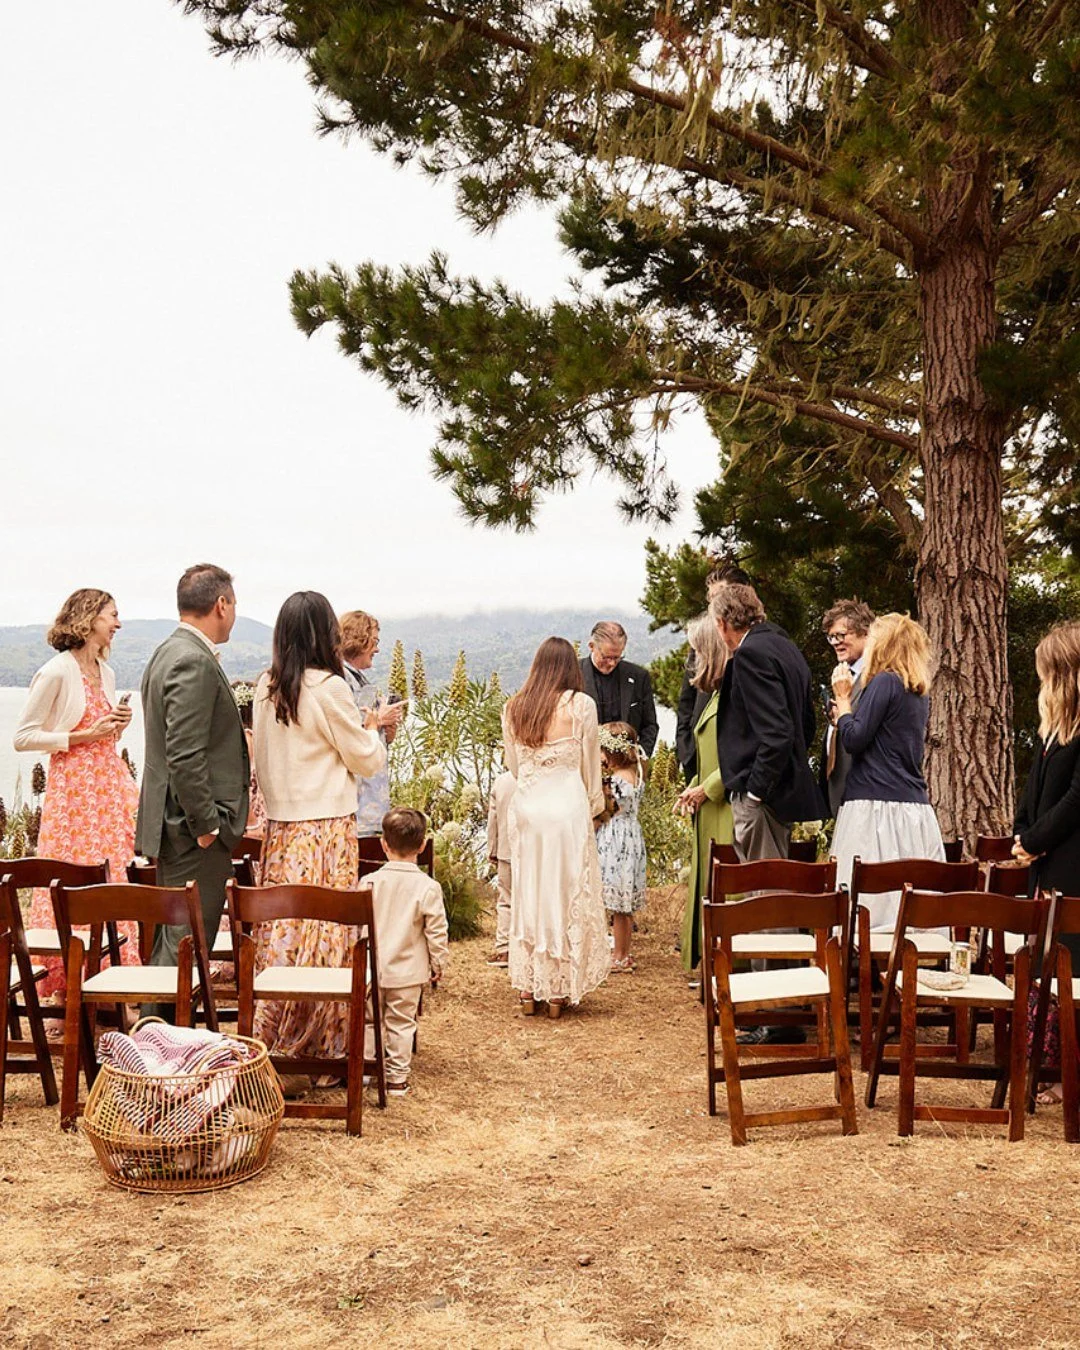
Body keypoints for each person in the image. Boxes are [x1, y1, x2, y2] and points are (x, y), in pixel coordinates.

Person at [252, 591, 386, 1067]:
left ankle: (276, 1034)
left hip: (281, 829)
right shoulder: (329, 688)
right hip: (325, 828)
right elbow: (365, 758)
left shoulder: (267, 686)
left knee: (285, 931)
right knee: (324, 934)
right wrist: (373, 729)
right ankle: (320, 1045)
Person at [15, 588, 138, 1002]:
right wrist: (83, 736)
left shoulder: (107, 672)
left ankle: (113, 986)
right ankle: (65, 987)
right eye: (111, 615)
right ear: (88, 619)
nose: (118, 624)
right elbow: (23, 737)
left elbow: (103, 735)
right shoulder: (56, 671)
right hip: (73, 791)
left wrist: (117, 725)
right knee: (72, 876)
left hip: (106, 788)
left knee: (112, 875)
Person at [137, 566, 249, 1012]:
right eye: (234, 604)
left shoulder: (167, 652)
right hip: (190, 830)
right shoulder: (192, 660)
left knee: (177, 939)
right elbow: (184, 753)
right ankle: (152, 1040)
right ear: (221, 604)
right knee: (186, 943)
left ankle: (156, 1037)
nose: (234, 613)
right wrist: (207, 826)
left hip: (174, 824)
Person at [503, 636, 609, 1017]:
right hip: (566, 809)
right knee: (564, 894)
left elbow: (515, 767)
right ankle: (558, 990)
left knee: (529, 892)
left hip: (528, 810)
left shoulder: (514, 707)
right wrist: (594, 805)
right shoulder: (581, 706)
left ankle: (529, 988)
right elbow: (589, 765)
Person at [830, 613, 944, 930]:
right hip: (913, 808)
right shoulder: (916, 691)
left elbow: (855, 739)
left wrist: (844, 702)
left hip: (873, 807)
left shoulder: (884, 681)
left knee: (870, 909)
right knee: (909, 910)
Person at [1013, 621, 1080, 1105]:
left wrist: (1036, 840)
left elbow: (1077, 799)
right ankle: (1047, 1065)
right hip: (1046, 864)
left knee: (1072, 966)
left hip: (1073, 864)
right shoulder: (1054, 730)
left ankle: (1068, 1074)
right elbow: (1034, 789)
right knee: (1047, 964)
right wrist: (1023, 835)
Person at [712, 583, 824, 861]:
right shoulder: (786, 646)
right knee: (774, 879)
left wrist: (755, 793)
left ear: (722, 623)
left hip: (763, 797)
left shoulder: (750, 654)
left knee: (763, 884)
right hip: (783, 791)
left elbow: (778, 733)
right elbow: (806, 724)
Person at [365, 808, 449, 1094]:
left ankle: (367, 1069)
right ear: (422, 845)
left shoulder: (369, 882)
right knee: (402, 1022)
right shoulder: (428, 887)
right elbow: (436, 931)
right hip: (408, 972)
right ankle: (396, 1078)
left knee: (369, 1020)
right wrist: (438, 962)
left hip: (371, 968)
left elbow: (358, 928)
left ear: (383, 844)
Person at [674, 612, 735, 974]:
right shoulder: (713, 691)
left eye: (697, 651)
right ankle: (711, 962)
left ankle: (728, 964)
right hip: (708, 801)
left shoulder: (734, 692)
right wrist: (693, 780)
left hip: (725, 805)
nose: (693, 658)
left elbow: (741, 753)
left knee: (725, 884)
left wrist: (708, 788)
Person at [676, 564, 750, 781]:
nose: (713, 606)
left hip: (735, 765)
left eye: (719, 597)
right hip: (698, 758)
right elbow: (686, 700)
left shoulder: (755, 646)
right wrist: (687, 750)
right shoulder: (702, 641)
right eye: (711, 599)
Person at [339, 610, 405, 837]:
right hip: (355, 806)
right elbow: (347, 734)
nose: (376, 649)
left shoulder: (358, 679)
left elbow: (368, 733)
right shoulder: (340, 680)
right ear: (358, 640)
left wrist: (386, 730)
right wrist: (379, 720)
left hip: (369, 806)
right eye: (374, 642)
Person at [595, 722, 648, 972]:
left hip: (616, 839)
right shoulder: (636, 774)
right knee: (624, 907)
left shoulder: (616, 781)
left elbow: (607, 810)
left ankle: (618, 955)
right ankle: (624, 953)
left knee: (618, 906)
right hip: (631, 836)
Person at [820, 600, 875, 817]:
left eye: (841, 635)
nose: (835, 642)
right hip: (841, 796)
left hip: (867, 798)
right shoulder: (844, 675)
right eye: (831, 637)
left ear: (865, 632)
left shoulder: (877, 678)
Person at [579, 621, 659, 757]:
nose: (611, 663)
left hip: (627, 762)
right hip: (586, 761)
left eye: (617, 657)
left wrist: (639, 757)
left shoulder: (638, 676)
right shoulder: (573, 674)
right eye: (606, 657)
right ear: (592, 646)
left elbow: (649, 725)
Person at [486, 768, 515, 967]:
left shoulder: (502, 781)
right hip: (536, 853)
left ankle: (504, 949)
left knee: (506, 901)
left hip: (507, 849)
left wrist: (492, 848)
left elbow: (493, 819)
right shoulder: (541, 778)